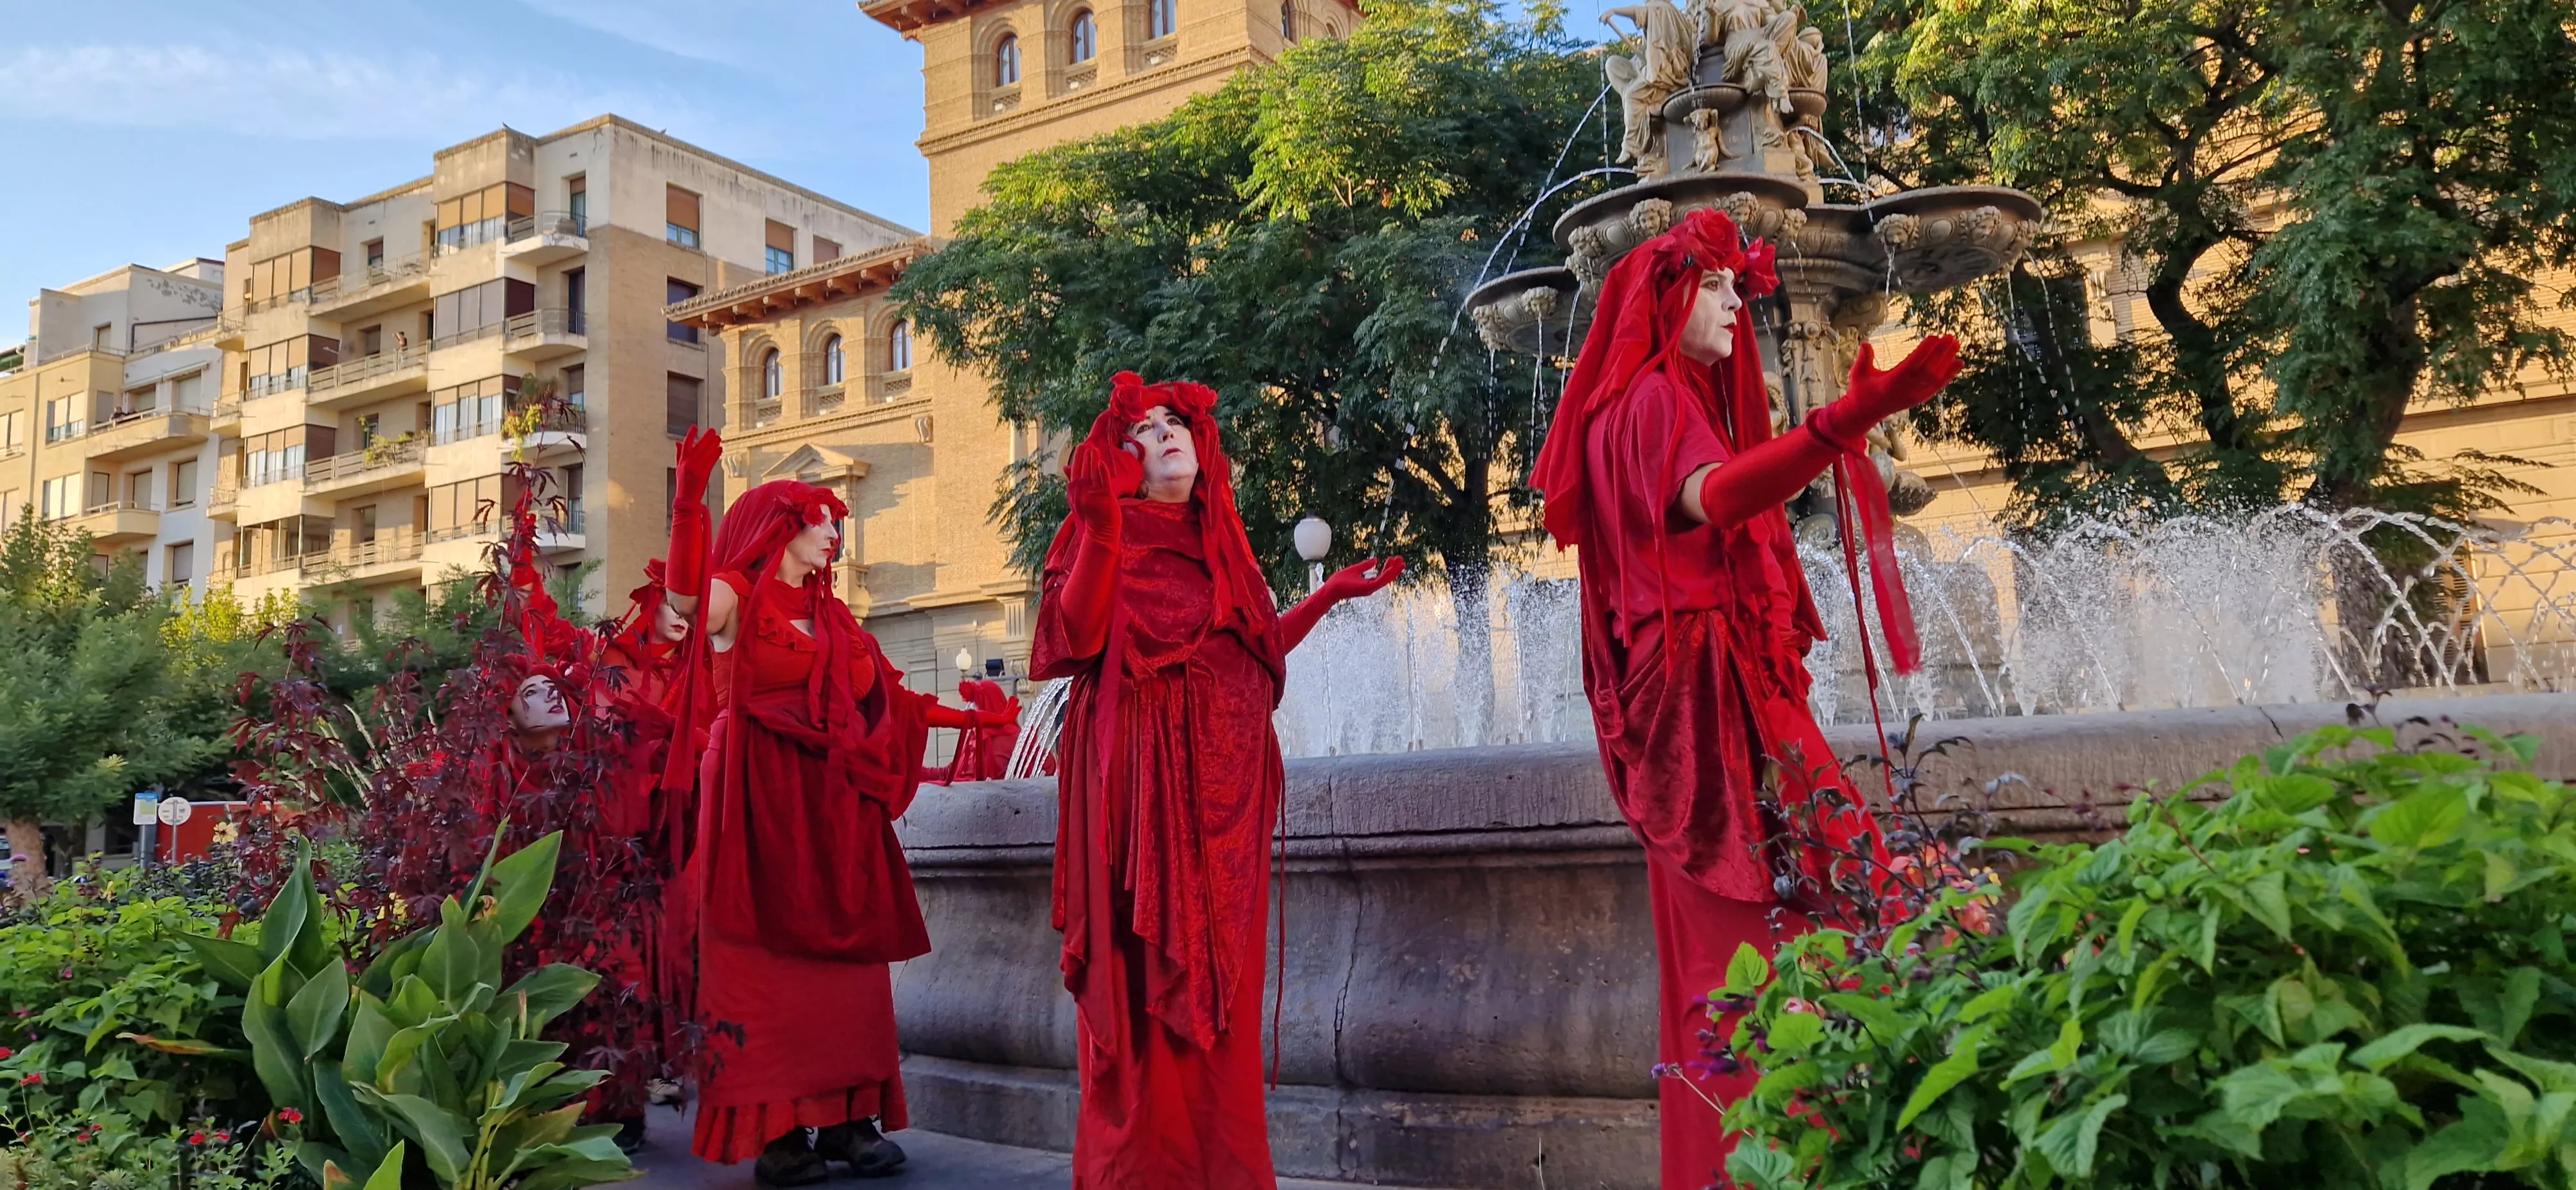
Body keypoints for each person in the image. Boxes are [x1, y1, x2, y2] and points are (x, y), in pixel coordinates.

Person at [1524, 208, 1959, 1189]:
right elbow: (1715, 499)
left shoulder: (1655, 401)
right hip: (1705, 702)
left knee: (1751, 963)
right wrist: (1839, 422)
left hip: (1706, 690)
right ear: (1669, 296)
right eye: (1718, 285)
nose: (1737, 299)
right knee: (1792, 939)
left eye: (1738, 284)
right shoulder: (1648, 403)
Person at [1032, 372, 1403, 1189]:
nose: (1165, 435)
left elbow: (1251, 650)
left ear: (1205, 448)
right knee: (1139, 996)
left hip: (1223, 809)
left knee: (1221, 1009)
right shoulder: (1101, 530)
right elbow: (1077, 635)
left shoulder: (1220, 543)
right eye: (1143, 430)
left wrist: (1331, 597)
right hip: (1141, 791)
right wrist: (1099, 523)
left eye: (1177, 425)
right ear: (1118, 458)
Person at [656, 431, 987, 1185]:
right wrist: (686, 504)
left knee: (851, 968)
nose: (835, 532)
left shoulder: (837, 619)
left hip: (834, 802)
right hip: (753, 792)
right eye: (822, 519)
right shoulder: (738, 596)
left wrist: (972, 723)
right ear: (784, 526)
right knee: (758, 962)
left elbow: (892, 701)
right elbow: (684, 601)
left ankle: (846, 1121)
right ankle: (776, 1131)